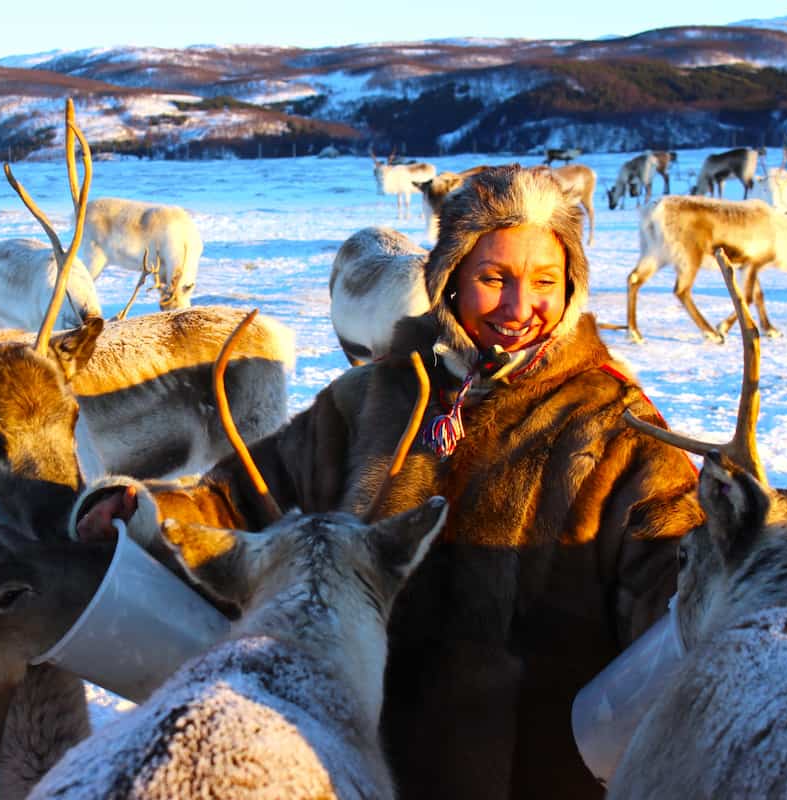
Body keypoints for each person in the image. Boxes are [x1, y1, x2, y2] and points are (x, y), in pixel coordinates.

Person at [73, 165, 702, 799]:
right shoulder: (373, 396)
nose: (519, 308)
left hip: (530, 775)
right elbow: (238, 501)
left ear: (571, 286)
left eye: (545, 281)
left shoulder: (613, 427)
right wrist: (139, 509)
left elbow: (679, 580)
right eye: (493, 278)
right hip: (347, 765)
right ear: (448, 280)